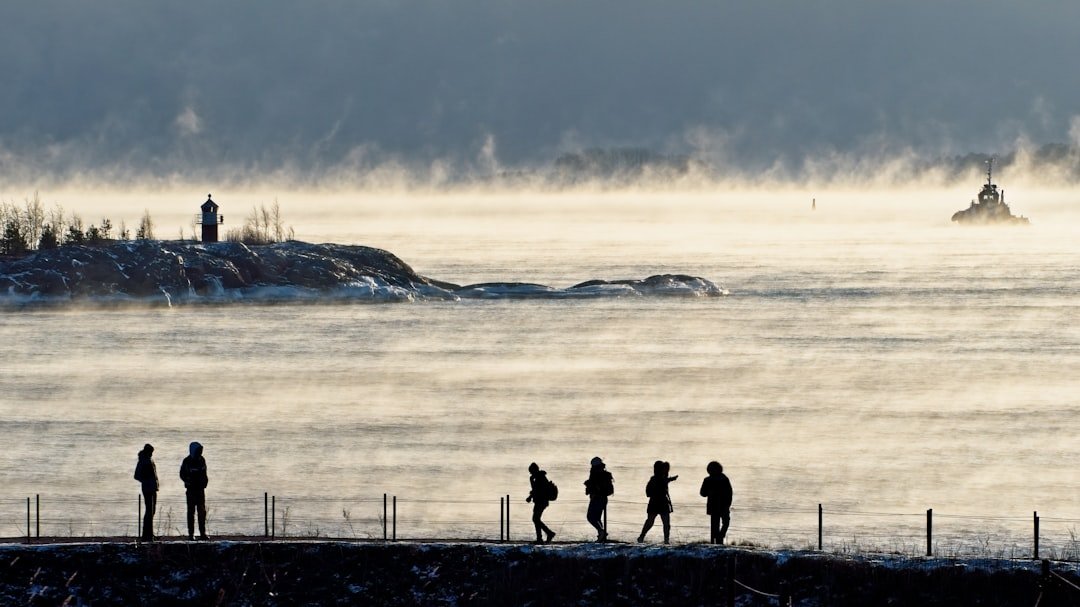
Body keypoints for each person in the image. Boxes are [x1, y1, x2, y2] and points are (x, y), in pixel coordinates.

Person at [638, 460, 677, 544]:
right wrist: (671, 479)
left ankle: (642, 536)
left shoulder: (656, 478)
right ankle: (665, 540)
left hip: (656, 502)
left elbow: (648, 493)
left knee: (654, 521)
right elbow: (663, 481)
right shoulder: (657, 479)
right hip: (659, 502)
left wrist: (671, 479)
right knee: (661, 522)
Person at [179, 441, 209, 540]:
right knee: (191, 512)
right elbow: (182, 474)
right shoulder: (187, 461)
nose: (200, 453)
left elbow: (204, 472)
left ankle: (202, 533)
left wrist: (205, 482)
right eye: (198, 451)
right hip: (191, 490)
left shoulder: (202, 460)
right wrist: (188, 481)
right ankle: (191, 534)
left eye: (200, 451)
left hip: (200, 490)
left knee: (202, 512)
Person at [699, 461, 733, 544]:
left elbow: (702, 493)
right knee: (726, 522)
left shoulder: (707, 480)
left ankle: (714, 541)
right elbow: (730, 492)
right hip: (724, 505)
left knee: (714, 526)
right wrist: (728, 504)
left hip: (713, 505)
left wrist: (710, 492)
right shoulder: (724, 478)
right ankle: (720, 538)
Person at [583, 456, 614, 541]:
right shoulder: (604, 473)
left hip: (597, 498)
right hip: (603, 499)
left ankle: (601, 532)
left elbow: (595, 487)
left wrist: (588, 485)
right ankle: (601, 535)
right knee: (597, 518)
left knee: (591, 517)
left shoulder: (596, 474)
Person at [525, 462, 556, 544]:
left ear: (535, 470)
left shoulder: (540, 478)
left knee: (535, 519)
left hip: (541, 501)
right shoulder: (538, 478)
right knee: (536, 519)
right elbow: (535, 490)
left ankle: (547, 534)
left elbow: (537, 490)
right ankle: (542, 537)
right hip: (540, 501)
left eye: (531, 471)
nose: (530, 473)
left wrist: (530, 497)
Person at [133, 443, 158, 542]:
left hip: (153, 488)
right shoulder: (143, 461)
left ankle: (149, 533)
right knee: (149, 511)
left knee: (152, 511)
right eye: (151, 452)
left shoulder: (149, 459)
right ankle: (147, 535)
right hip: (148, 489)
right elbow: (137, 475)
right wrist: (146, 481)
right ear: (147, 451)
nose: (152, 454)